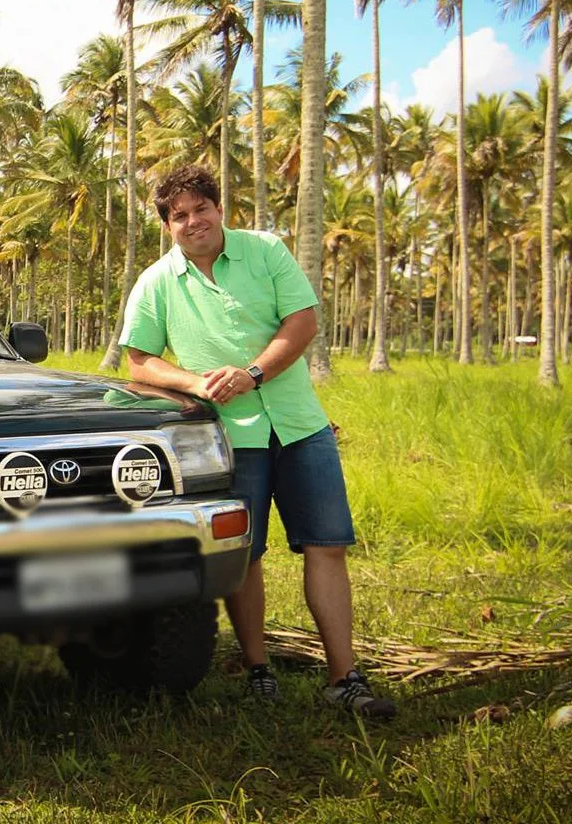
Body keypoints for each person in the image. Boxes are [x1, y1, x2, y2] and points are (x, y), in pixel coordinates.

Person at [118, 164, 395, 718]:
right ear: (167, 225)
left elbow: (302, 322)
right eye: (180, 216)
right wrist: (194, 383)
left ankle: (344, 675)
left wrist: (254, 373)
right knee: (245, 556)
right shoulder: (156, 282)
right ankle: (258, 669)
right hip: (229, 437)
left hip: (298, 423)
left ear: (220, 210)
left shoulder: (266, 251)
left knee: (327, 545)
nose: (193, 221)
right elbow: (138, 359)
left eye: (202, 209)